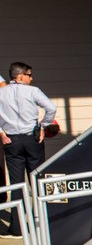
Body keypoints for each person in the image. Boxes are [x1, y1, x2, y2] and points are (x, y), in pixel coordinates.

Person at [0, 62, 58, 235]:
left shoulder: (1, 93)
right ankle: (42, 222)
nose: (31, 78)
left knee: (17, 183)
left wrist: (1, 132)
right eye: (29, 74)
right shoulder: (33, 91)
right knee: (37, 180)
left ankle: (17, 228)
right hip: (32, 139)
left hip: (11, 141)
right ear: (20, 76)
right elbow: (51, 108)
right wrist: (43, 125)